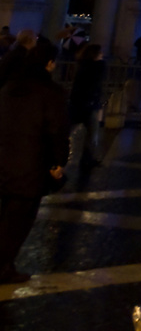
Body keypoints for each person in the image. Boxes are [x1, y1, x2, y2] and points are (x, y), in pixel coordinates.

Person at [0, 39, 67, 283]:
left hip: (5, 160)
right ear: (49, 64)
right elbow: (57, 130)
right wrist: (58, 161)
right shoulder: (50, 92)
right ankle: (3, 266)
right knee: (18, 222)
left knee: (6, 215)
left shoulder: (9, 87)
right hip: (30, 164)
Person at [67, 42, 107, 173]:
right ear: (95, 55)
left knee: (70, 130)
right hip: (88, 104)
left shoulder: (82, 65)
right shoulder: (96, 68)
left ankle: (86, 159)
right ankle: (86, 159)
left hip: (78, 103)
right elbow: (94, 85)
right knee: (91, 134)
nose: (102, 55)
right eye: (100, 53)